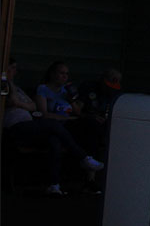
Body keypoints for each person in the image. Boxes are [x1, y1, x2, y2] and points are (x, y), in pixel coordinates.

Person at [4, 61, 105, 195]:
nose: (65, 76)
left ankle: (85, 179)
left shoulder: (65, 92)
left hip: (65, 126)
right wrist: (9, 82)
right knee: (55, 135)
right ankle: (83, 160)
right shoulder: (40, 89)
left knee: (91, 128)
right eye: (61, 73)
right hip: (48, 125)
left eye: (67, 74)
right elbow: (38, 110)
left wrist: (72, 99)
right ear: (52, 74)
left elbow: (32, 106)